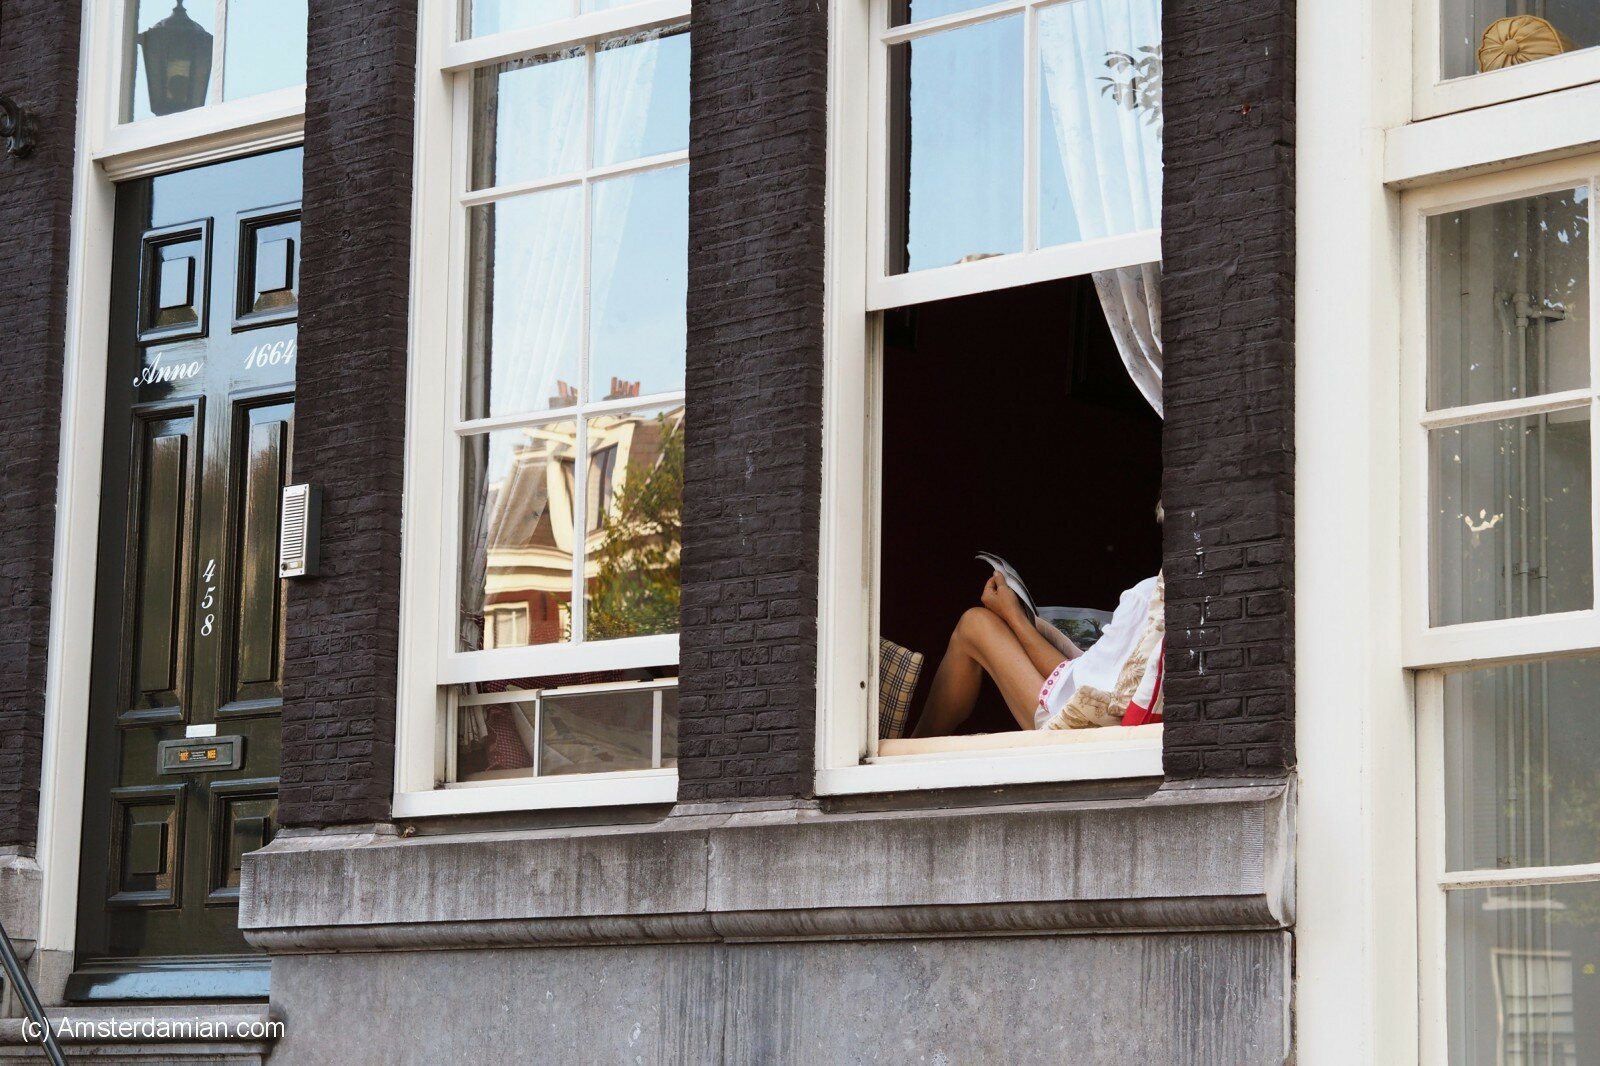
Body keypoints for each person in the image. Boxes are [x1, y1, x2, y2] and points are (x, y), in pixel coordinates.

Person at [911, 568, 1163, 737]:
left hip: (1080, 733)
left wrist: (1013, 615)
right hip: (1120, 731)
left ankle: (913, 748)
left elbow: (1076, 688)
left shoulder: (1149, 595)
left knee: (974, 624)